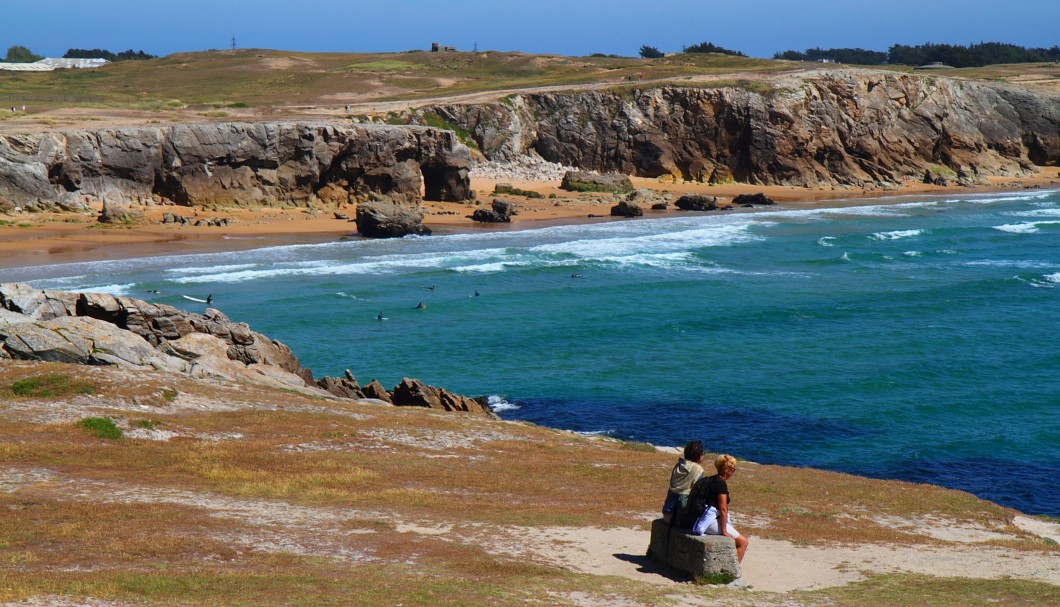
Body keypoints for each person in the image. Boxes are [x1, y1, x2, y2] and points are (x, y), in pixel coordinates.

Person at [690, 454, 749, 563]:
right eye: (733, 469)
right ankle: (733, 570)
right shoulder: (721, 484)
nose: (733, 471)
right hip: (711, 522)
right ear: (726, 470)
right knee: (743, 542)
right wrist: (725, 530)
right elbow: (723, 509)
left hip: (703, 519)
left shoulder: (712, 479)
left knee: (736, 539)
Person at [661, 440, 705, 523]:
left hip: (668, 513)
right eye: (703, 454)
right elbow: (698, 492)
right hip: (681, 516)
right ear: (699, 456)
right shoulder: (697, 469)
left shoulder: (679, 465)